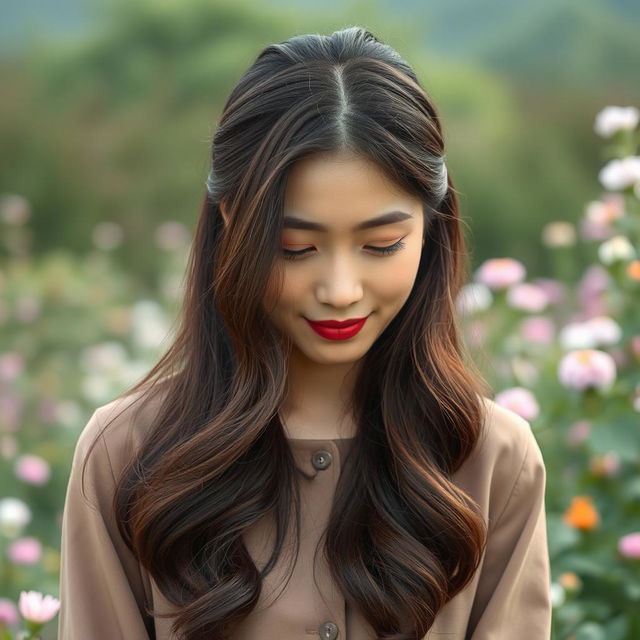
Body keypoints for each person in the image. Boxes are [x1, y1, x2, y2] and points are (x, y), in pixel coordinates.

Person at [58, 26, 552, 639]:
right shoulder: (126, 455)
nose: (340, 289)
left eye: (381, 245)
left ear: (432, 228)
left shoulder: (491, 462)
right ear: (232, 224)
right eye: (296, 247)